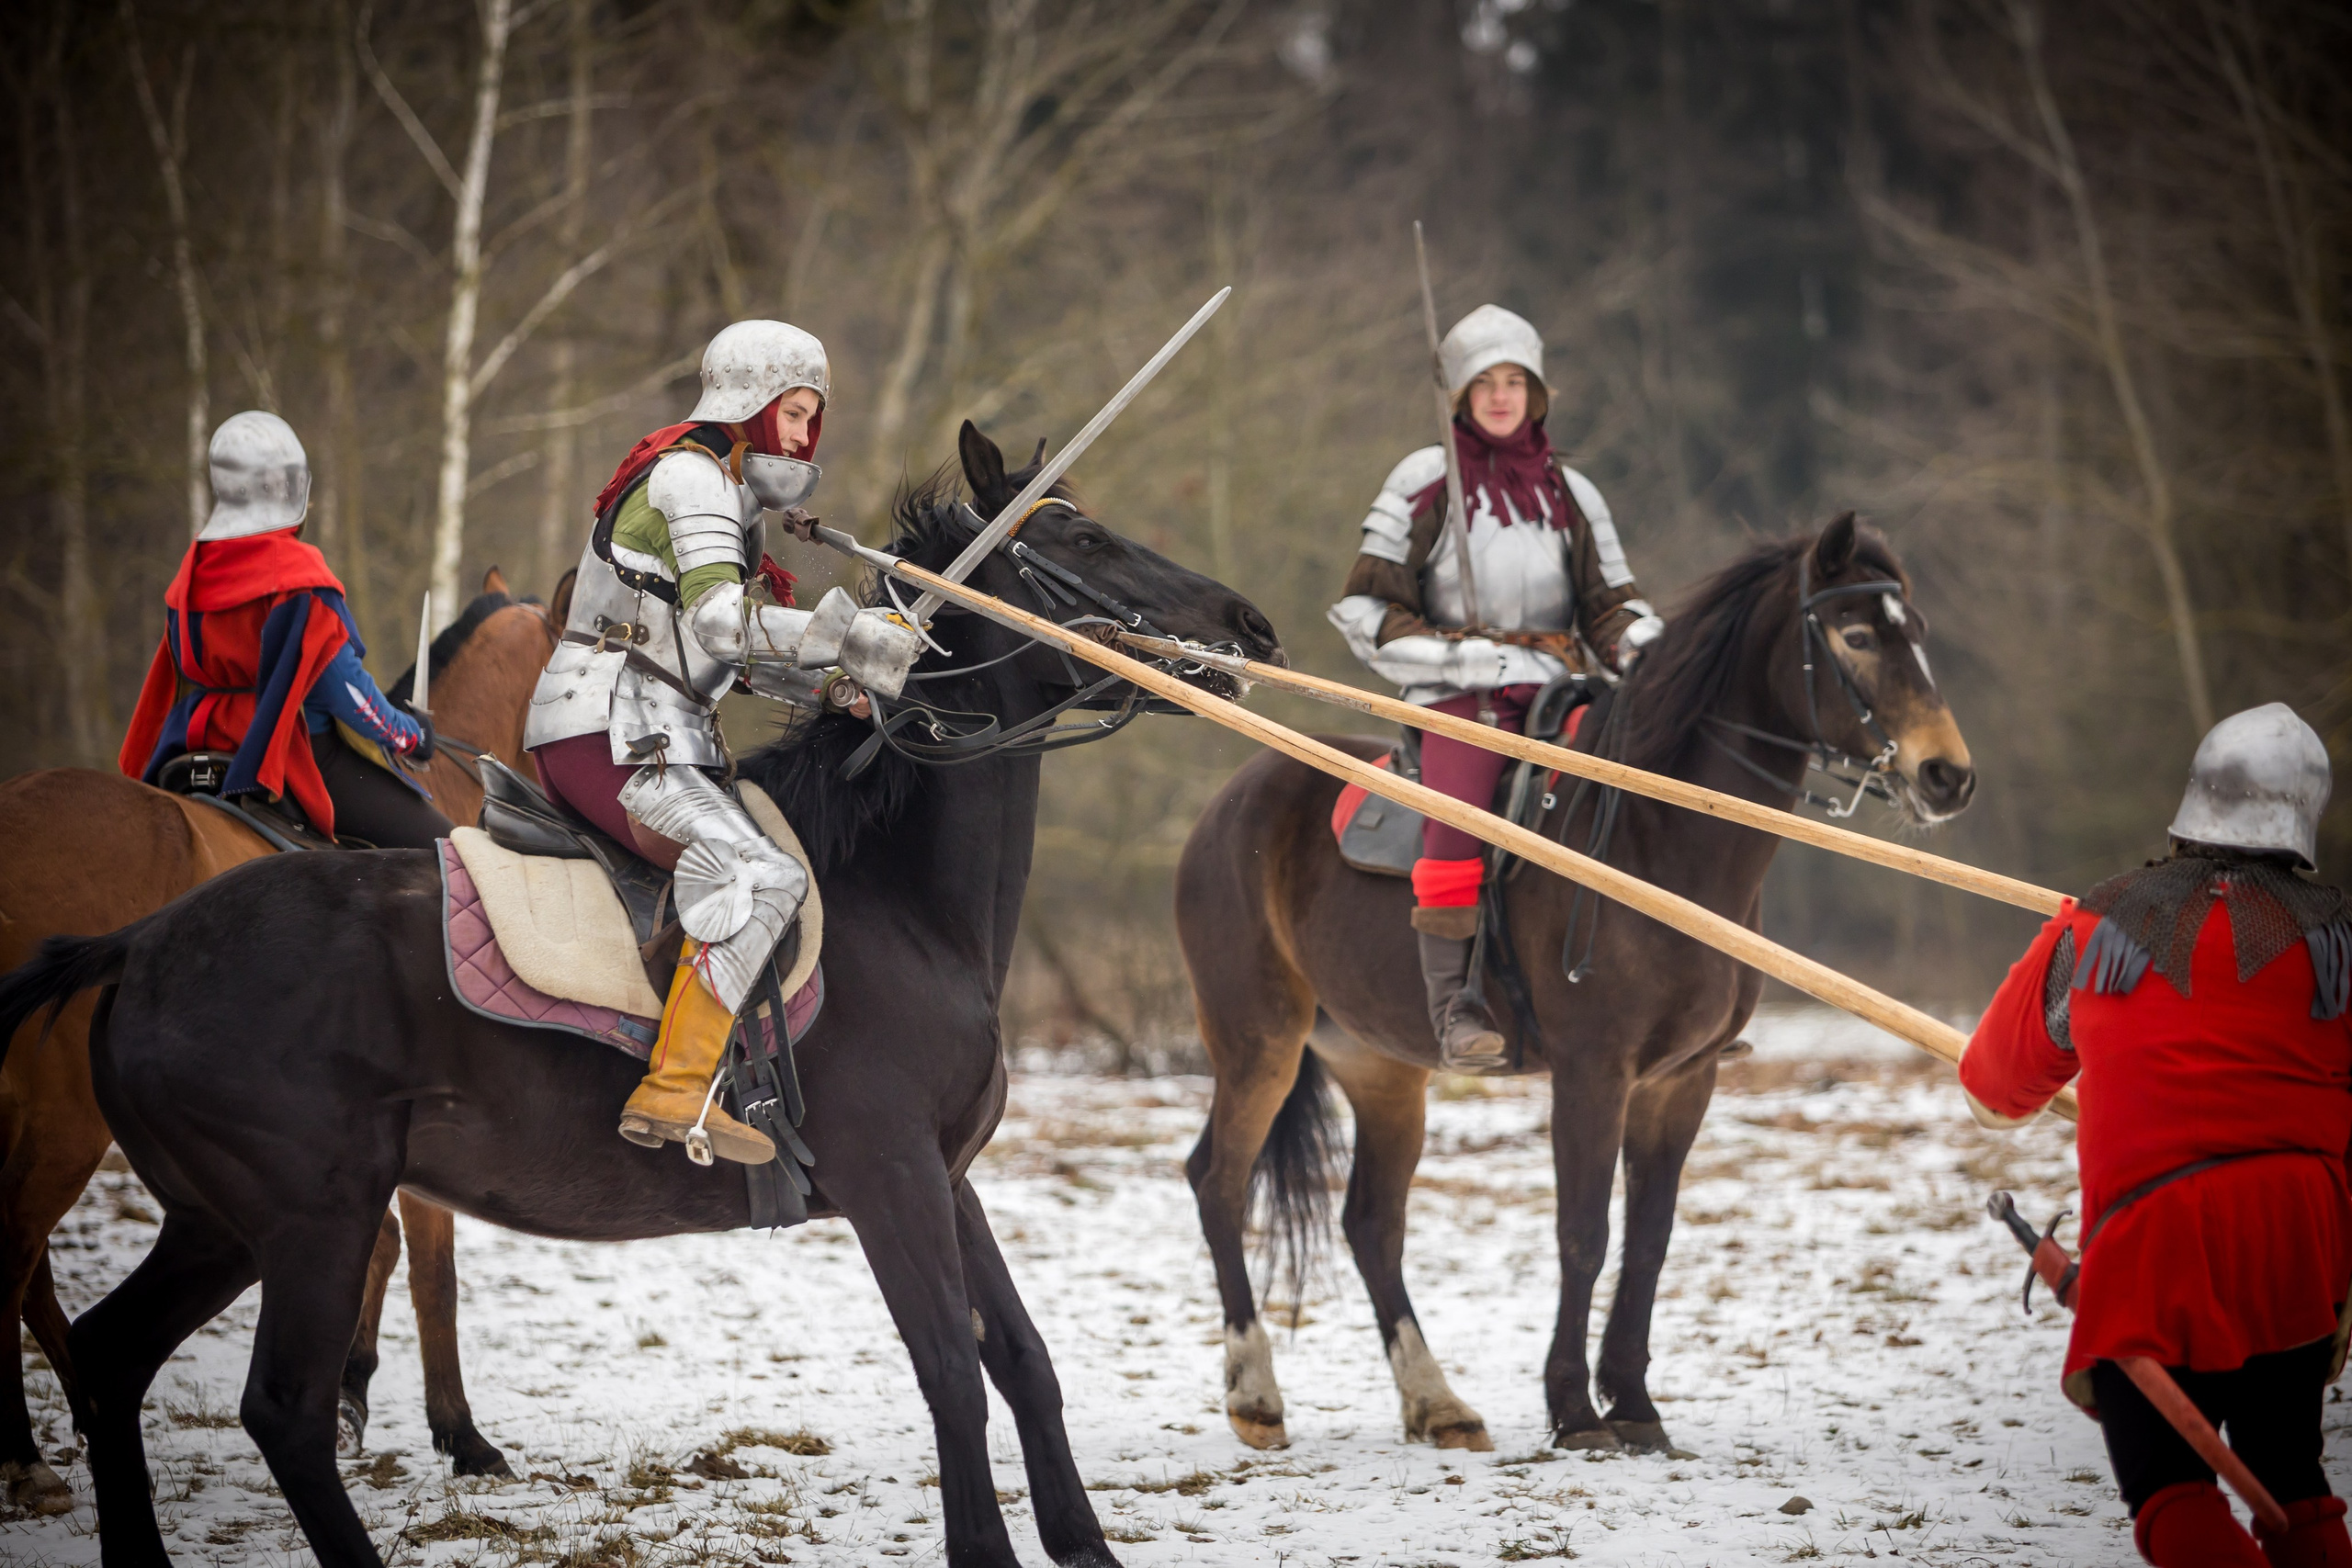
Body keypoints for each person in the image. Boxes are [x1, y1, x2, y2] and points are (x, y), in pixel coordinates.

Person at [1960, 704, 2352, 1568]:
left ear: (2196, 801)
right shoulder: (2341, 942)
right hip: (2300, 1239)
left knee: (2170, 1490)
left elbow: (1994, 1090)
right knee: (2292, 1475)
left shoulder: (2097, 927)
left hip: (2158, 1238)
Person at [525, 319, 922, 1165]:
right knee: (758, 874)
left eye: (812, 417)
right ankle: (673, 1087)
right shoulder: (690, 480)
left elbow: (719, 655)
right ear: (754, 401)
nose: (803, 435)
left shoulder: (725, 492)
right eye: (795, 412)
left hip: (660, 730)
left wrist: (831, 685)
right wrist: (849, 640)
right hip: (611, 729)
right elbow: (718, 621)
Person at [1329, 303, 1666, 1072]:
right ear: (1461, 395)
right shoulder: (1425, 480)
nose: (1503, 396)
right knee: (1457, 816)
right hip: (1460, 701)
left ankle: (1666, 988)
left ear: (1537, 392)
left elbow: (1609, 605)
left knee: (1644, 790)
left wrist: (1645, 643)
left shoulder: (1571, 492)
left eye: (1516, 381)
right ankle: (1456, 1004)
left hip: (1560, 692)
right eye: (1487, 383)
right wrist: (1461, 659)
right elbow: (1367, 607)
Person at [121, 411, 446, 849]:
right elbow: (348, 694)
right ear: (292, 489)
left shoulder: (192, 571)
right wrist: (412, 735)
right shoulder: (299, 577)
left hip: (192, 742)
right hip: (288, 751)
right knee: (447, 849)